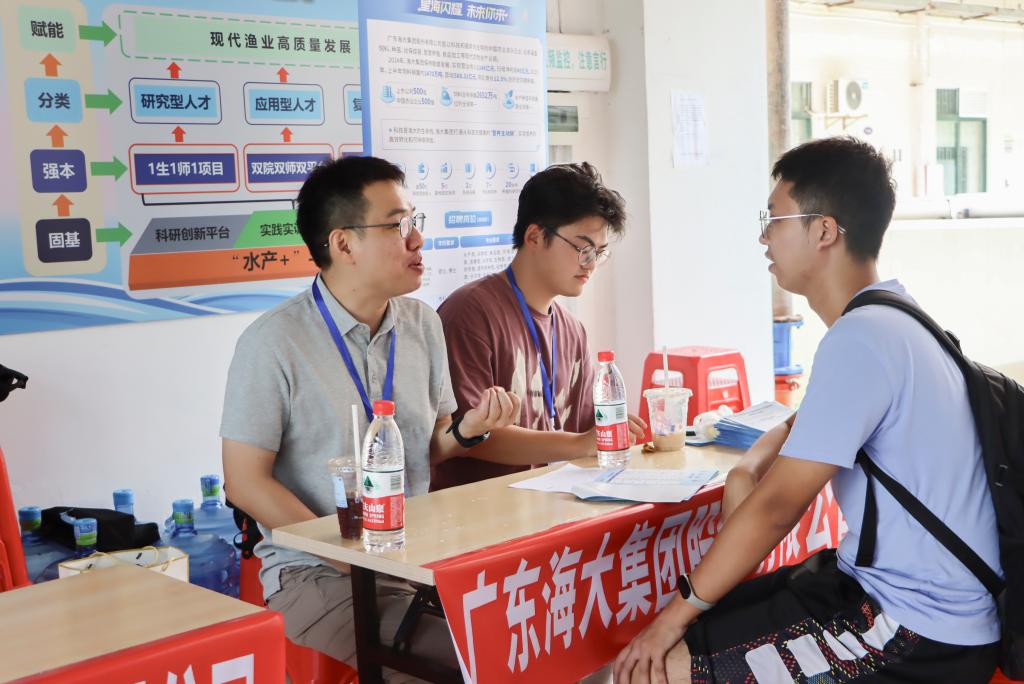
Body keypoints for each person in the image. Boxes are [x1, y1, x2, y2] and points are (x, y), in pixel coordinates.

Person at [614, 137, 1001, 683]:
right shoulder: (898, 320)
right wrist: (747, 469)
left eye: (774, 219)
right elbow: (797, 431)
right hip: (891, 594)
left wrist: (667, 621)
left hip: (917, 625)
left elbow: (777, 507)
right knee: (707, 623)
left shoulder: (861, 339)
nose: (763, 237)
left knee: (654, 667)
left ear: (824, 231)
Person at [220, 156, 520, 678]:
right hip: (318, 574)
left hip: (417, 559)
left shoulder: (422, 324)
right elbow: (245, 482)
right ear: (344, 244)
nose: (417, 239)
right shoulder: (273, 342)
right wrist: (351, 556)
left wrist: (468, 431)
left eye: (415, 222)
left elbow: (430, 443)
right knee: (467, 666)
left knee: (528, 637)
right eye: (398, 226)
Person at [432, 162, 646, 491]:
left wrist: (613, 431)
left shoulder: (572, 330)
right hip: (480, 510)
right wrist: (580, 443)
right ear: (534, 236)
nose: (590, 264)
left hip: (550, 503)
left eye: (599, 253)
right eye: (583, 248)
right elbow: (465, 436)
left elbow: (583, 429)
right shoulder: (470, 313)